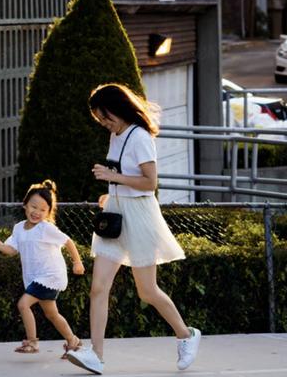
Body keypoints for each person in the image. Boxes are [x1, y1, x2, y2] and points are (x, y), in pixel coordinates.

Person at [66, 84, 201, 374]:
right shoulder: (116, 135)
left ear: (118, 108)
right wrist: (111, 191)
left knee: (147, 291)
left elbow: (150, 183)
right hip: (115, 212)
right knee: (98, 287)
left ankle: (186, 335)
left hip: (139, 215)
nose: (104, 123)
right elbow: (125, 179)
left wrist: (113, 177)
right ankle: (96, 356)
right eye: (100, 119)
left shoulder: (140, 137)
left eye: (105, 117)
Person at [0, 179, 85, 359]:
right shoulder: (19, 228)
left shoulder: (46, 228)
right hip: (36, 278)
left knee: (23, 304)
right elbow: (12, 249)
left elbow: (68, 241)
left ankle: (32, 342)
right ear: (25, 205)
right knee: (52, 314)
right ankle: (73, 341)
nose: (37, 212)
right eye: (34, 207)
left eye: (43, 210)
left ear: (49, 212)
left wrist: (77, 262)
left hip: (50, 276)